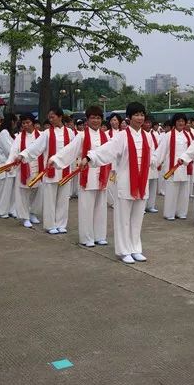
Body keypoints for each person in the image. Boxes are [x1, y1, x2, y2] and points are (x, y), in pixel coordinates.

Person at [78, 102, 158, 264]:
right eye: (136, 115)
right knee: (123, 218)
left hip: (142, 183)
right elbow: (107, 150)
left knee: (137, 218)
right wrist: (89, 158)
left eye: (142, 114)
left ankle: (135, 248)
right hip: (126, 182)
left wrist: (156, 162)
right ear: (129, 117)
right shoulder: (121, 136)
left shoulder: (148, 136)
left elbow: (153, 156)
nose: (140, 118)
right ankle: (123, 250)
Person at [49, 105, 112, 247]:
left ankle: (100, 235)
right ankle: (86, 237)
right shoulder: (82, 135)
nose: (95, 121)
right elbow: (69, 150)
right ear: (87, 120)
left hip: (102, 176)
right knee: (86, 208)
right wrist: (56, 159)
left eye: (98, 118)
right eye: (92, 118)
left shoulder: (106, 136)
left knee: (101, 207)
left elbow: (111, 153)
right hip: (87, 176)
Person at [15, 107, 75, 234]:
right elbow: (36, 147)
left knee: (63, 199)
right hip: (50, 170)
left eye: (53, 117)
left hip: (65, 170)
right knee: (50, 199)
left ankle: (61, 223)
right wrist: (23, 155)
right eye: (49, 117)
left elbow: (74, 149)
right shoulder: (47, 133)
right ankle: (50, 225)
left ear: (60, 117)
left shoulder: (70, 132)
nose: (50, 119)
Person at [155, 113, 193, 221]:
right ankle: (169, 213)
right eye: (178, 121)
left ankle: (181, 212)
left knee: (184, 191)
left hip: (185, 167)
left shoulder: (188, 135)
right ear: (174, 122)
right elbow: (161, 151)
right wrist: (156, 162)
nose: (181, 123)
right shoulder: (168, 135)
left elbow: (192, 151)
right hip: (172, 167)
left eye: (183, 121)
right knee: (171, 191)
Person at [8, 114, 42, 228]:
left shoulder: (41, 135)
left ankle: (33, 213)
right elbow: (13, 152)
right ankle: (24, 217)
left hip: (38, 167)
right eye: (23, 123)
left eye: (28, 122)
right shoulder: (19, 137)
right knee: (23, 194)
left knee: (37, 193)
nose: (26, 125)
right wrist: (9, 164)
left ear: (33, 123)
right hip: (23, 169)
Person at [142, 116, 161, 213]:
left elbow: (159, 148)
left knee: (153, 185)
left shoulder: (156, 134)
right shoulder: (141, 134)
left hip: (154, 163)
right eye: (146, 123)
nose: (148, 125)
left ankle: (151, 205)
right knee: (145, 185)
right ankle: (143, 206)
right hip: (145, 164)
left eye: (149, 123)